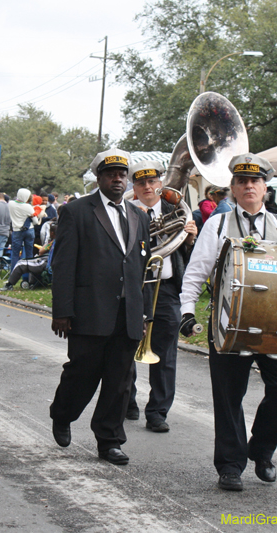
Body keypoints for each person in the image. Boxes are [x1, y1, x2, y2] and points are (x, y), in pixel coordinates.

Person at [178, 153, 277, 492]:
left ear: (265, 187)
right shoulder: (216, 225)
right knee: (228, 395)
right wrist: (187, 311)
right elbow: (195, 274)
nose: (249, 186)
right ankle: (230, 465)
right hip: (228, 323)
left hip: (276, 324)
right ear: (232, 188)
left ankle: (262, 450)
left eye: (255, 181)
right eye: (241, 181)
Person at [49, 148, 151, 466]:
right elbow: (63, 265)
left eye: (122, 174)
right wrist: (62, 311)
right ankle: (62, 413)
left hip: (128, 312)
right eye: (111, 174)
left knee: (121, 379)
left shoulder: (139, 216)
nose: (117, 179)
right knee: (83, 372)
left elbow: (143, 269)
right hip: (89, 310)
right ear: (99, 178)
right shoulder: (77, 211)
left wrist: (145, 313)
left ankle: (109, 440)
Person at [125, 161, 197, 432]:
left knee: (165, 353)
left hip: (166, 288)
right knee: (127, 345)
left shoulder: (175, 210)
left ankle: (158, 412)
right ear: (134, 186)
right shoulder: (126, 212)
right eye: (141, 183)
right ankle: (126, 402)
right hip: (134, 287)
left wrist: (189, 240)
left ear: (160, 182)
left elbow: (188, 258)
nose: (147, 187)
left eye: (152, 181)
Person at [0, 225, 56, 291]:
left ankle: (9, 285)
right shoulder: (62, 241)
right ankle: (32, 283)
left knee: (20, 264)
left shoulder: (54, 242)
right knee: (31, 261)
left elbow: (41, 251)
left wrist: (49, 242)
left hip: (48, 264)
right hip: (51, 262)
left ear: (52, 233)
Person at [8, 188, 36, 274]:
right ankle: (28, 275)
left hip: (16, 230)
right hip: (29, 230)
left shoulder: (10, 204)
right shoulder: (28, 207)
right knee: (29, 254)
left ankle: (13, 275)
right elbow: (35, 221)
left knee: (15, 254)